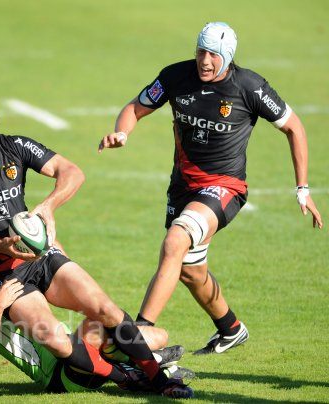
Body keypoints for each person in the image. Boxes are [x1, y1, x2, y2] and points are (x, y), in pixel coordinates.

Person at [0, 85, 192, 398]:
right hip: (2, 273)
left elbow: (71, 172)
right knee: (55, 339)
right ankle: (126, 376)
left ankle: (159, 380)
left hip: (40, 255)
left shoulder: (14, 146)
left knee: (106, 309)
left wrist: (49, 206)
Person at [98, 22, 323, 355]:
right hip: (183, 187)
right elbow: (135, 108)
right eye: (201, 51)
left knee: (175, 242)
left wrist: (302, 188)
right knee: (190, 270)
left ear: (227, 56)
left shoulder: (250, 87)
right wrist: (122, 133)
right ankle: (231, 329)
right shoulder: (175, 76)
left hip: (225, 186)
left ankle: (139, 335)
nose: (205, 60)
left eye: (214, 55)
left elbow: (294, 127)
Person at [0, 280, 194, 393]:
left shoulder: (13, 275)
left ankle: (136, 362)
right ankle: (140, 367)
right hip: (59, 373)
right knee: (97, 321)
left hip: (77, 347)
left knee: (159, 336)